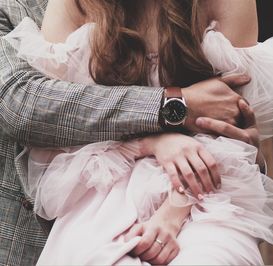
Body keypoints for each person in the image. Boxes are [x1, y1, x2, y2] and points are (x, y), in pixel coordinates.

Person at [0, 0, 258, 265]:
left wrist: (177, 206)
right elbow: (24, 105)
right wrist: (174, 107)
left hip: (203, 194)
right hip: (89, 198)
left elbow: (233, 119)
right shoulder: (46, 7)